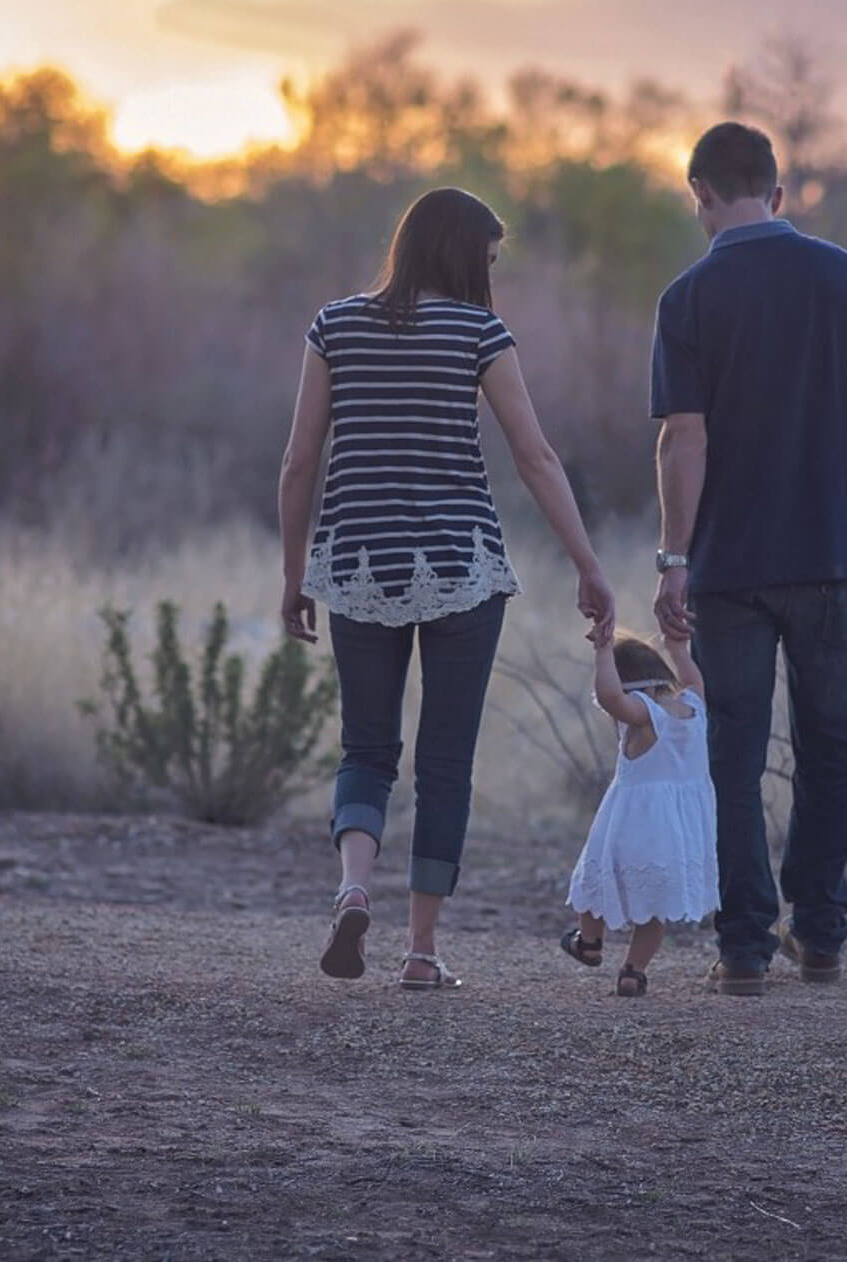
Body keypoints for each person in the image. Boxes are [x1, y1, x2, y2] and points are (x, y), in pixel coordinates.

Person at [278, 187, 615, 991]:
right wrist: (588, 564)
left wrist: (295, 577)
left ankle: (354, 886)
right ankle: (422, 952)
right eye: (489, 260)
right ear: (464, 255)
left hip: (358, 563)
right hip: (463, 566)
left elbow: (298, 462)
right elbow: (535, 458)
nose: (491, 276)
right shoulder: (479, 332)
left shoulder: (334, 325)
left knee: (366, 748)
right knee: (446, 764)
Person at [649, 123, 847, 996]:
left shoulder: (688, 297)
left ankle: (742, 948)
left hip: (730, 569)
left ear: (698, 193)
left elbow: (681, 438)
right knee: (831, 747)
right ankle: (821, 934)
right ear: (778, 192)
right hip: (833, 559)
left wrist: (672, 557)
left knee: (733, 755)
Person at [559, 629, 719, 997]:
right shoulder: (694, 706)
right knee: (653, 908)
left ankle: (589, 942)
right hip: (678, 831)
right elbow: (693, 678)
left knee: (594, 883)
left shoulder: (645, 714)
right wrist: (677, 648)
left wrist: (602, 652)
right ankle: (633, 972)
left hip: (633, 824)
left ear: (633, 687)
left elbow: (610, 696)